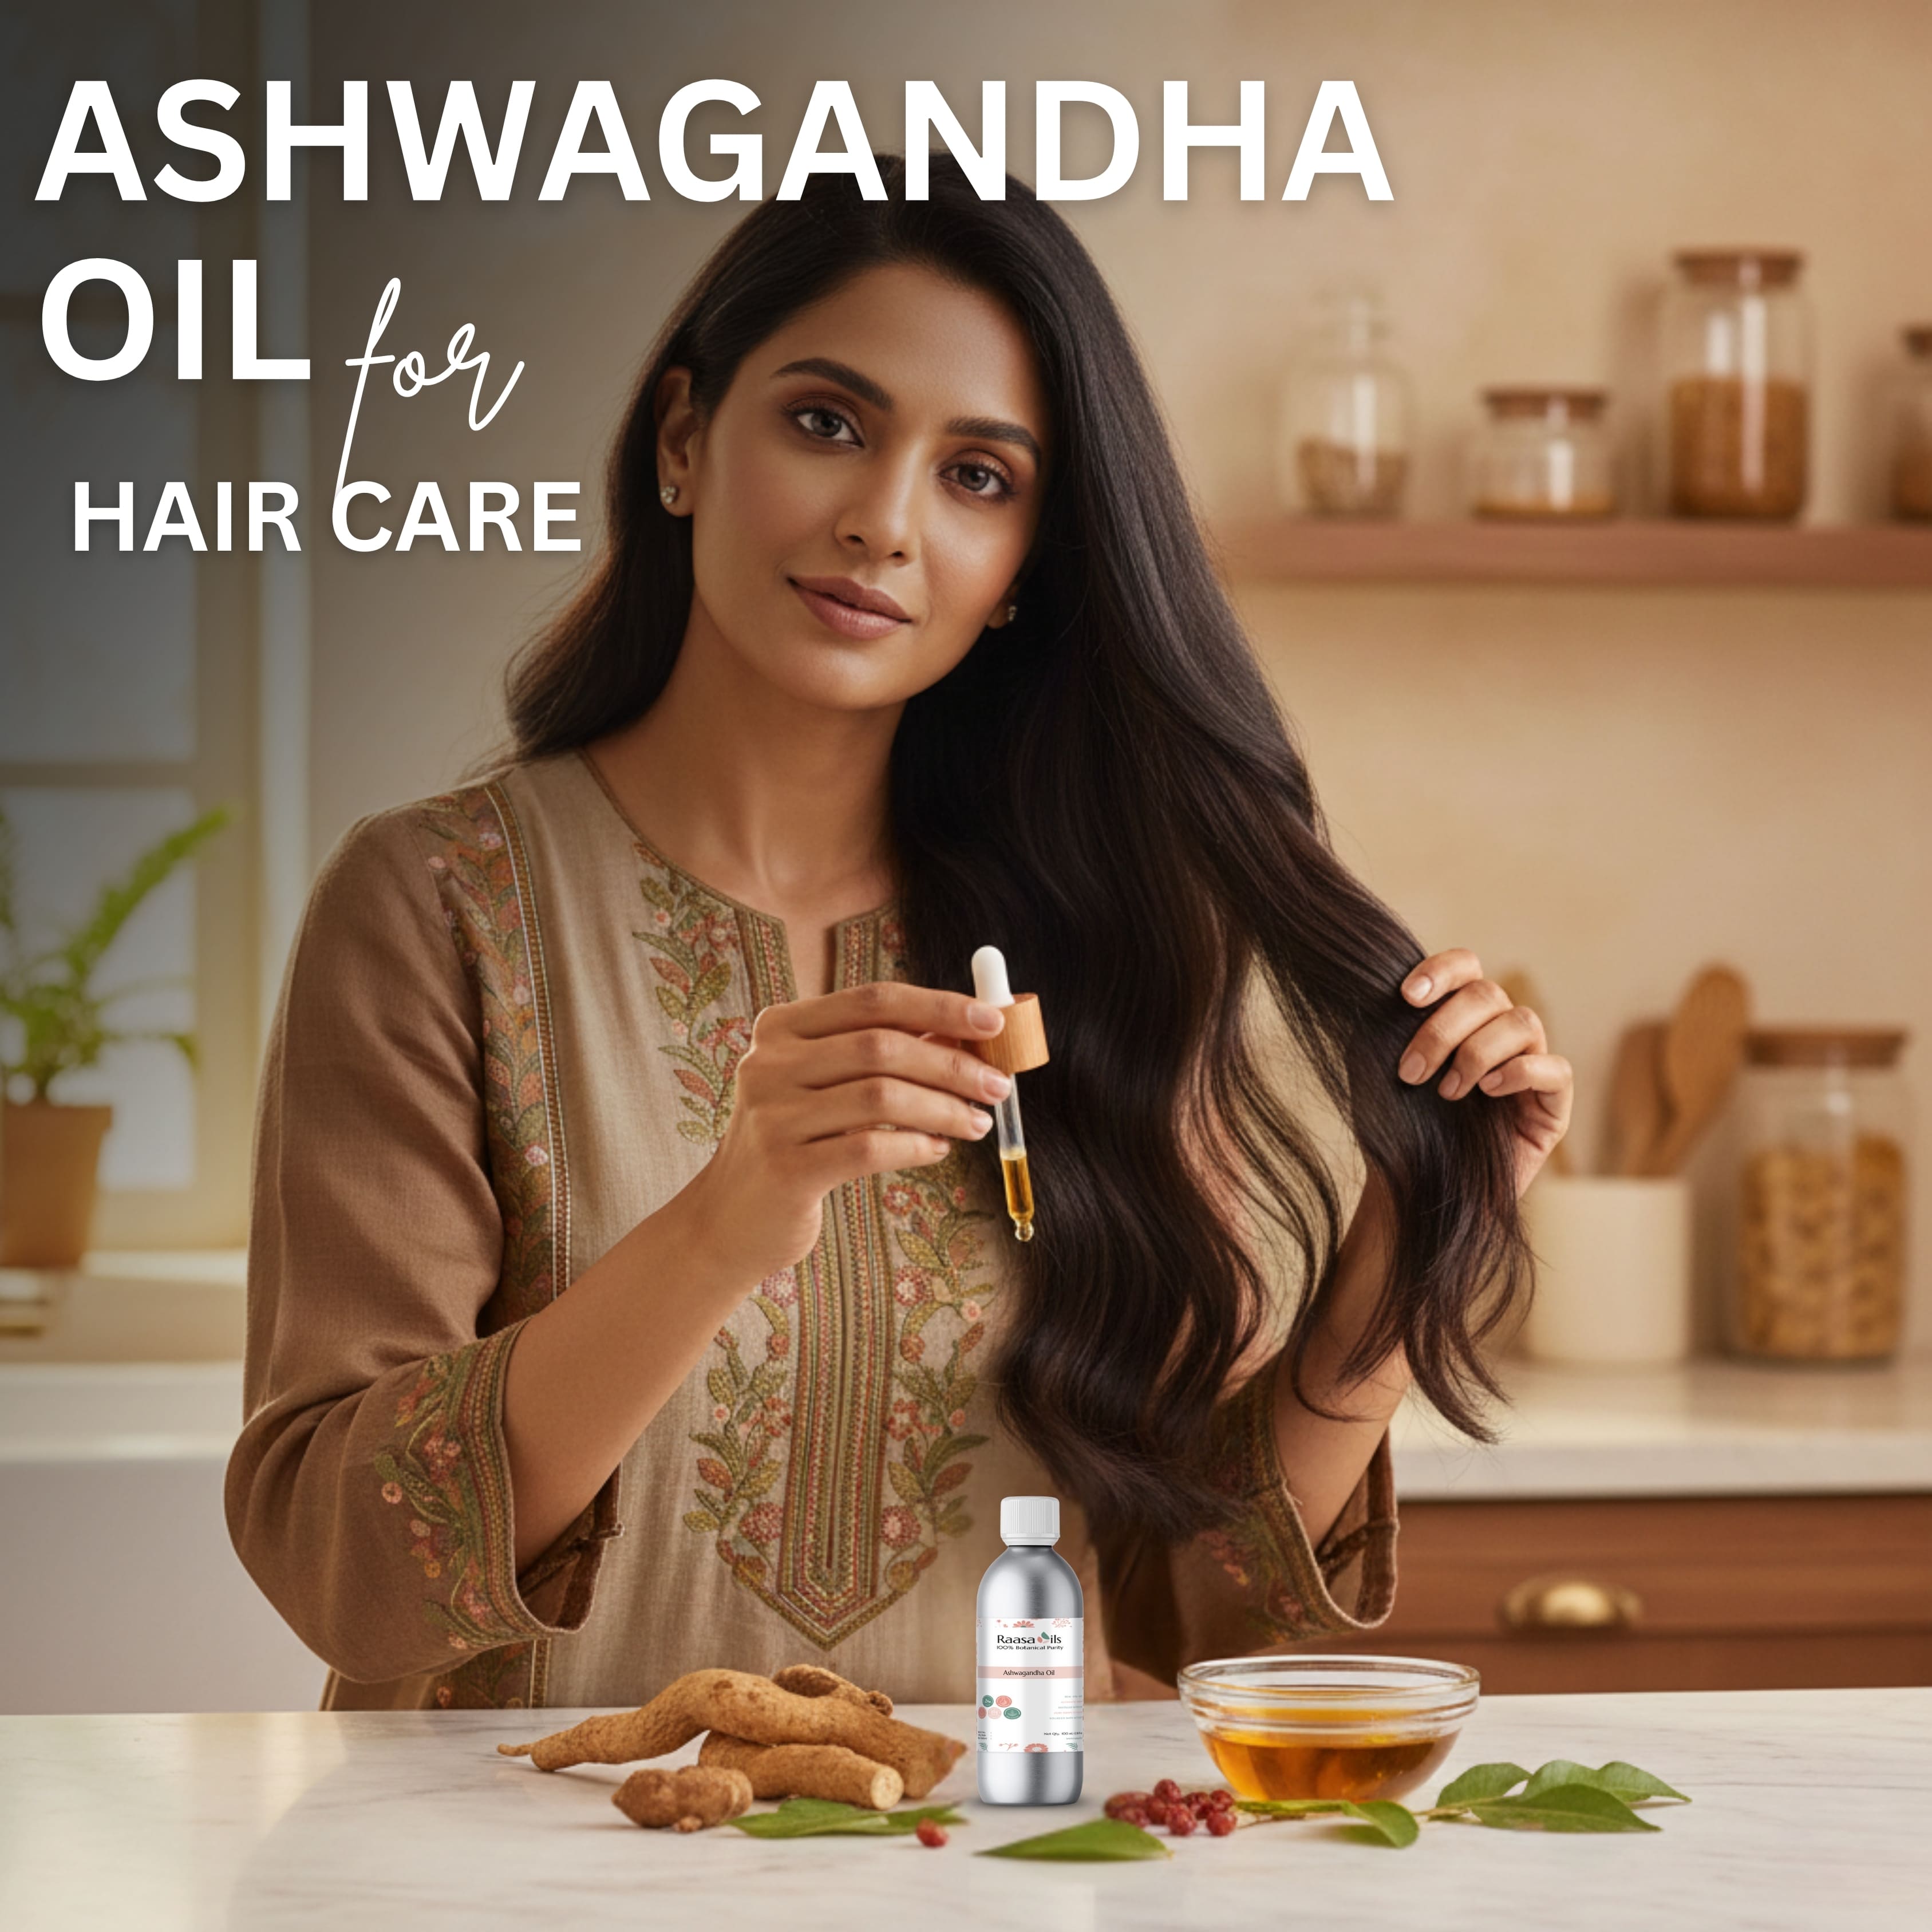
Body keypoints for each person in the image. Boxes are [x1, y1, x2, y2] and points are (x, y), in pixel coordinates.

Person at [226, 155, 1572, 1713]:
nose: (883, 521)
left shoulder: (1116, 946)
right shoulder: (433, 908)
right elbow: (347, 1576)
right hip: (522, 1879)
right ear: (682, 441)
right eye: (825, 424)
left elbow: (1201, 1633)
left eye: (979, 477)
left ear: (1022, 574)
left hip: (974, 1869)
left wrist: (1414, 1252)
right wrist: (729, 1219)